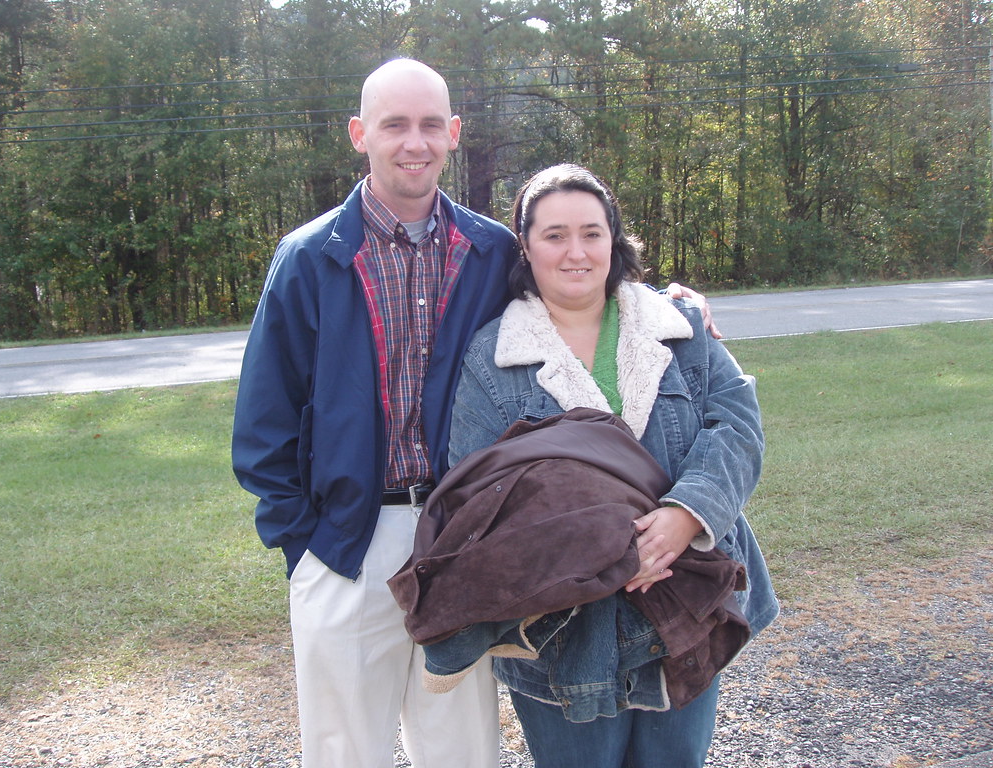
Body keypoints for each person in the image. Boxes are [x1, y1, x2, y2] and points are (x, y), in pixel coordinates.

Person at [232, 57, 715, 768]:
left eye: (431, 124)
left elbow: (579, 288)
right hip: (344, 545)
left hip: (466, 538)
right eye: (394, 125)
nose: (414, 142)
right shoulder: (309, 258)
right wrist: (304, 548)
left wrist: (675, 304)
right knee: (343, 754)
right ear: (359, 133)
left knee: (460, 751)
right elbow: (263, 422)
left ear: (454, 133)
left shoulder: (490, 249)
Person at [443, 163, 779, 768]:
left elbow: (737, 426)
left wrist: (686, 514)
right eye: (555, 235)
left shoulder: (678, 327)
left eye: (592, 233)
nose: (576, 252)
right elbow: (475, 493)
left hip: (683, 611)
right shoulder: (493, 356)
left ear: (614, 239)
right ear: (525, 245)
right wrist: (603, 548)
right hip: (565, 635)